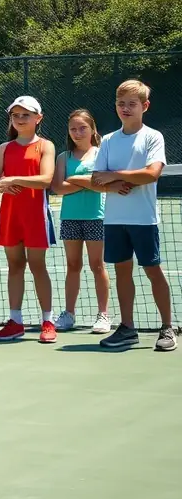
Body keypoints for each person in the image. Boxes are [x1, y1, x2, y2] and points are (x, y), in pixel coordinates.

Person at [88, 80, 176, 352]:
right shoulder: (110, 140)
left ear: (145, 106)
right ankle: (127, 328)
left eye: (132, 104)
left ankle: (167, 327)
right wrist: (113, 185)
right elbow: (95, 178)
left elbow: (151, 173)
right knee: (122, 273)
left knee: (153, 271)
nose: (125, 108)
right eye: (121, 103)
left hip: (143, 219)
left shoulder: (153, 137)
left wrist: (115, 176)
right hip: (114, 220)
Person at [0, 96, 57, 343]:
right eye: (15, 115)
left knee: (38, 265)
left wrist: (13, 180)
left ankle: (47, 321)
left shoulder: (45, 146)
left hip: (35, 214)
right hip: (10, 215)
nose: (20, 119)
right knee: (15, 266)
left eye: (25, 114)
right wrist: (1, 186)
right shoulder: (4, 148)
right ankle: (15, 321)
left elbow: (46, 179)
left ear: (38, 118)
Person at [51, 109, 111, 334]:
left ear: (92, 129)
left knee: (97, 266)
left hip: (96, 216)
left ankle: (103, 315)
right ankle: (69, 314)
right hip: (70, 218)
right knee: (73, 266)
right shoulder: (62, 157)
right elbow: (57, 188)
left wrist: (74, 179)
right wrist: (88, 181)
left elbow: (104, 184)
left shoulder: (102, 153)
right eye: (73, 128)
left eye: (82, 128)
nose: (77, 132)